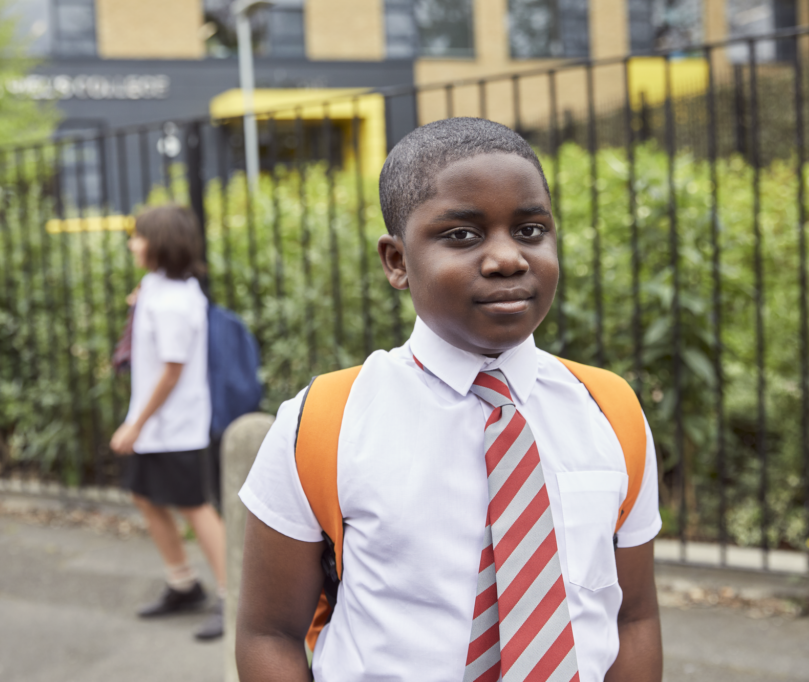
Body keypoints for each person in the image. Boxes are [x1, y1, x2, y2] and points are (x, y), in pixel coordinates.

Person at [236, 118, 662, 681]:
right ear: (396, 262)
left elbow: (632, 618)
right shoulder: (325, 422)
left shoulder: (610, 410)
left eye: (531, 230)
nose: (508, 258)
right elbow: (269, 633)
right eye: (462, 235)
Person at [109, 205, 226, 641]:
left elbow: (173, 372)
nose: (131, 243)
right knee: (144, 495)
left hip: (175, 425)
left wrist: (135, 423)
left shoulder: (176, 302)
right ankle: (183, 584)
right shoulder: (158, 287)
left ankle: (232, 597)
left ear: (159, 243)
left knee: (196, 507)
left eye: (138, 236)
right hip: (156, 425)